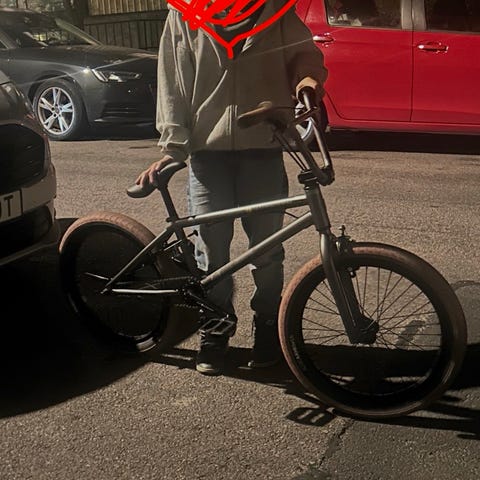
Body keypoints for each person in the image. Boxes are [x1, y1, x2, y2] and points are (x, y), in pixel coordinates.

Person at [136, 0, 328, 376]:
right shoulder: (185, 15)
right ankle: (216, 328)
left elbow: (304, 55)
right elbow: (173, 82)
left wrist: (308, 80)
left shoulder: (275, 11)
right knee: (212, 253)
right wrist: (173, 147)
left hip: (264, 147)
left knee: (267, 252)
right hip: (208, 155)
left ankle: (268, 325)